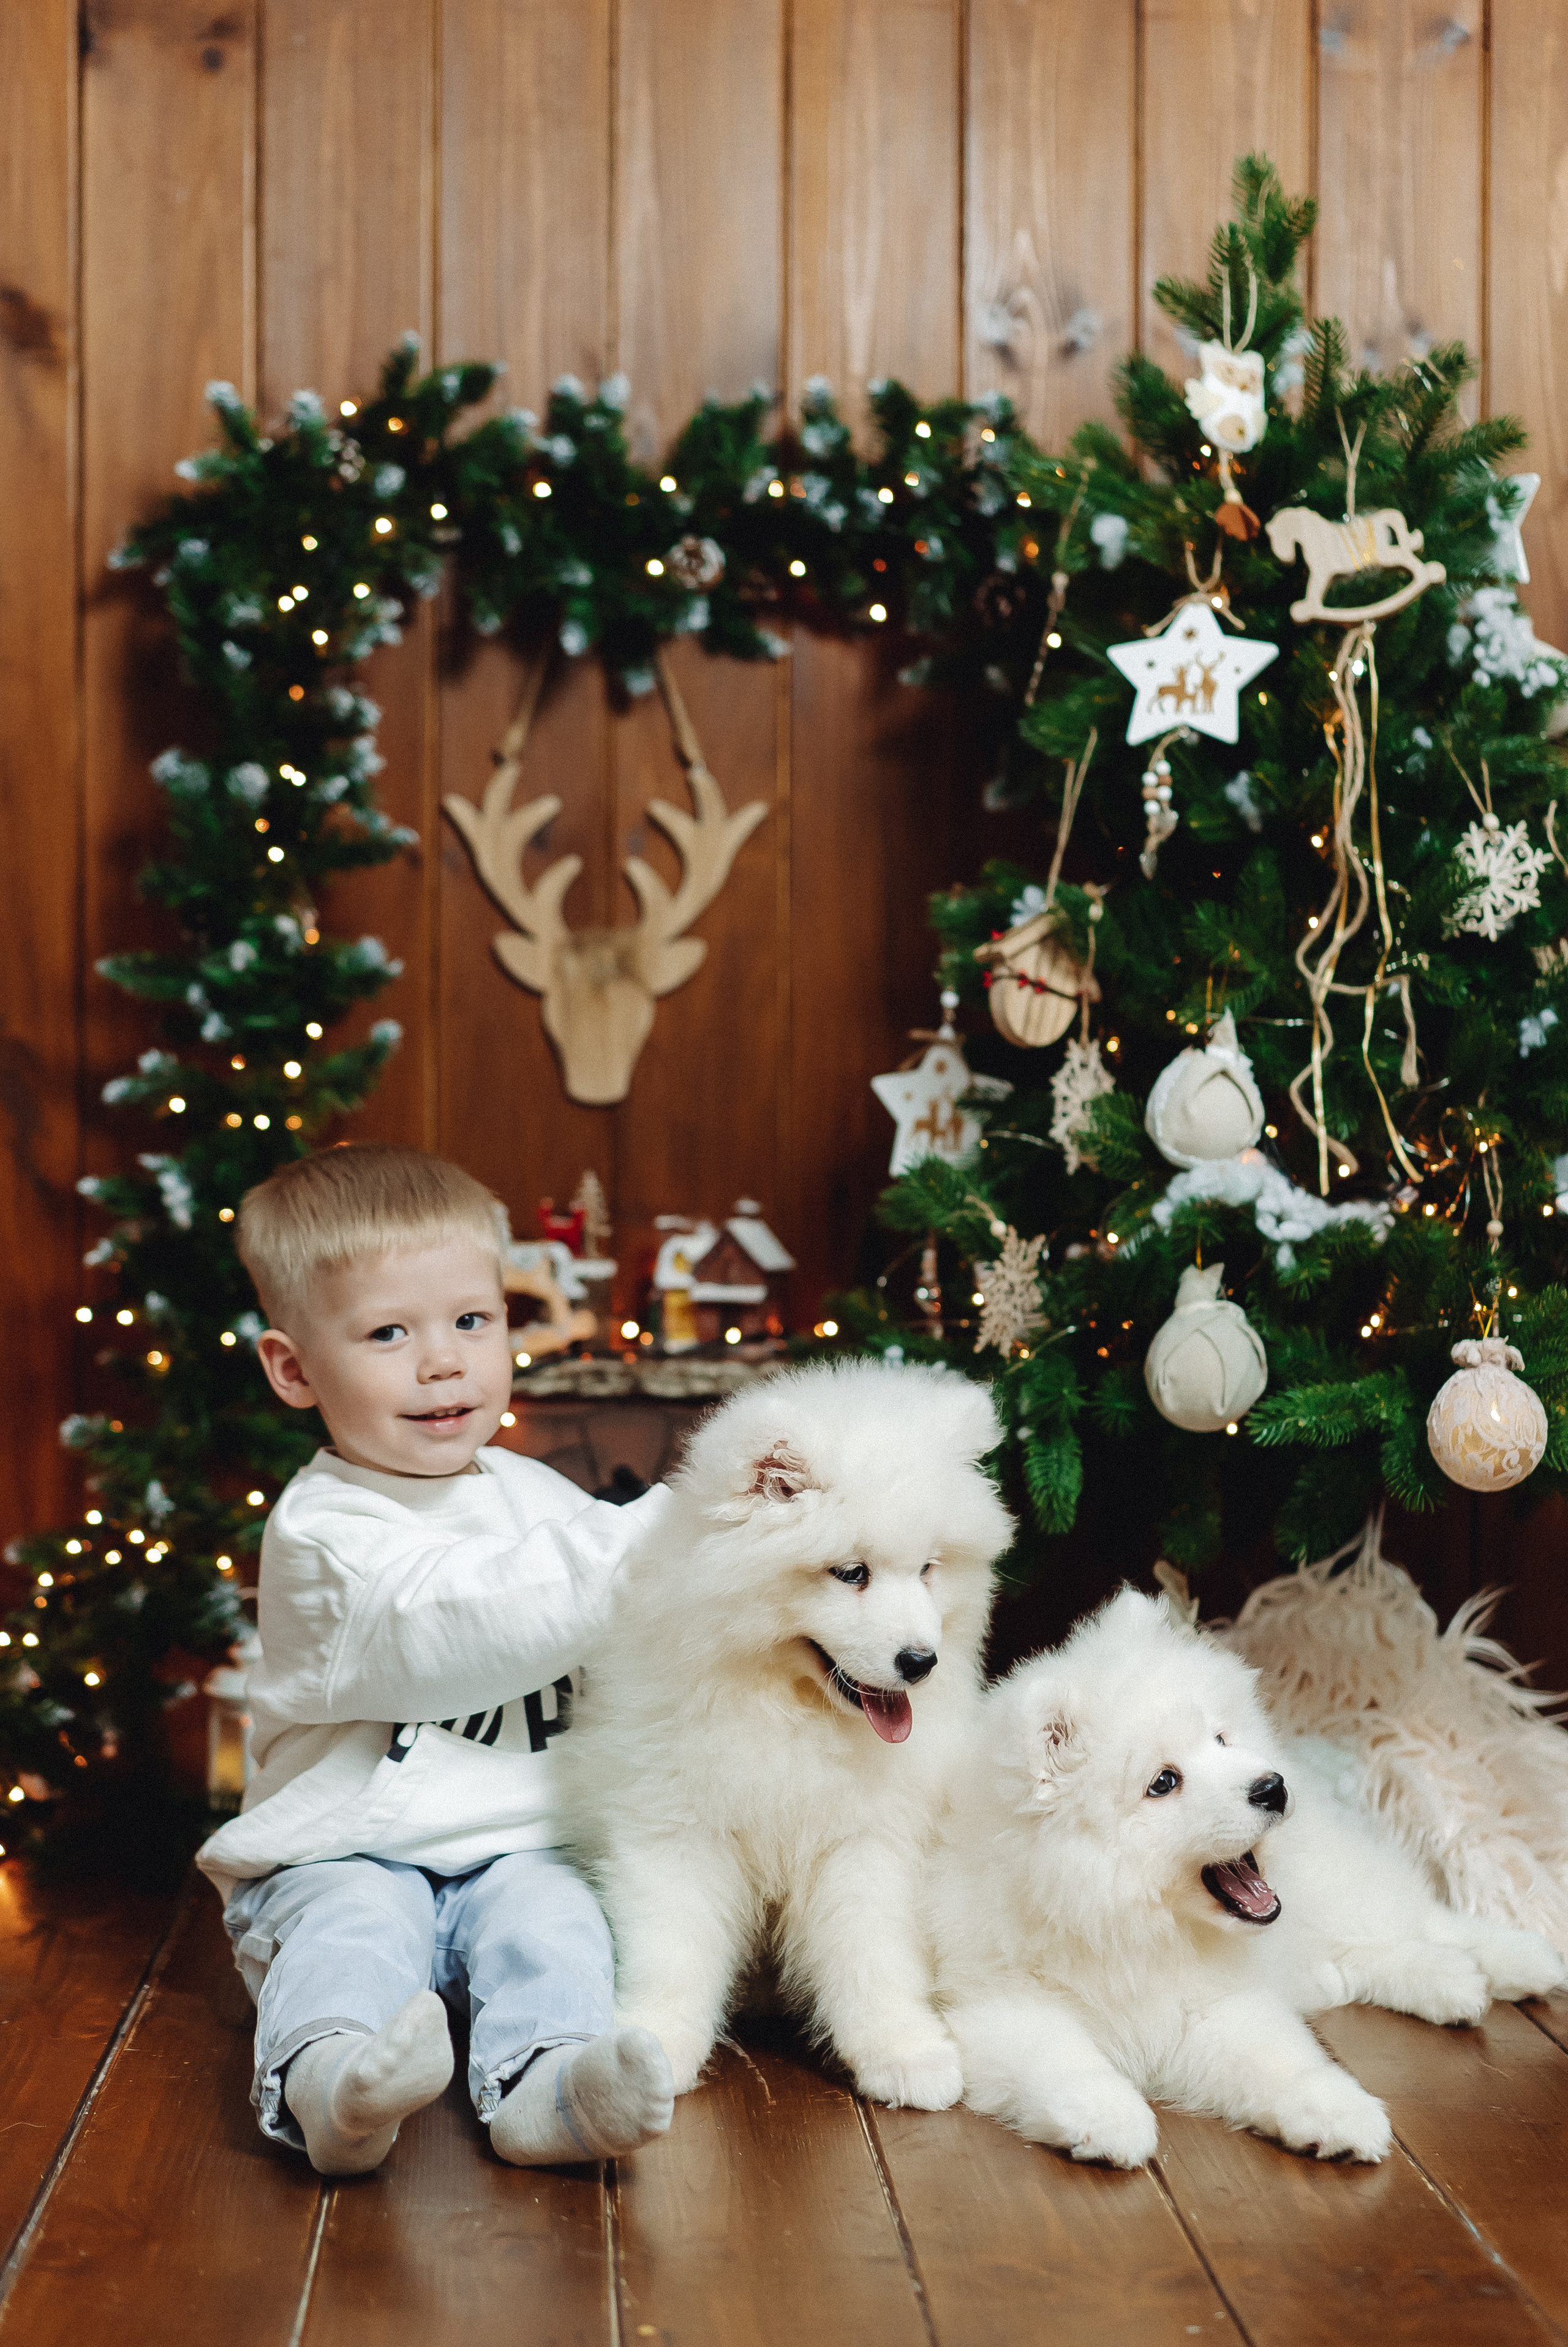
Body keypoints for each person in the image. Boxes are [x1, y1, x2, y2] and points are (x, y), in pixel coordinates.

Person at [197, 1143, 674, 2176]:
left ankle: (550, 2087)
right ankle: (335, 2086)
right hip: (348, 1850)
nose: (443, 1361)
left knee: (558, 1923)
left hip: (519, 1847)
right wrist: (667, 1522)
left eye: (472, 1320)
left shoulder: (537, 1498)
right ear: (294, 1368)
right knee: (353, 1934)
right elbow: (464, 1625)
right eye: (387, 1334)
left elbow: (625, 1630)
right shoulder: (324, 1535)